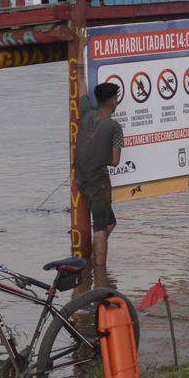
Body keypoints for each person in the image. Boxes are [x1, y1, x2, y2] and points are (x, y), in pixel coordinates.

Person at [74, 82, 123, 267]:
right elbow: (115, 161)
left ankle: (91, 262)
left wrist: (79, 56)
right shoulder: (114, 127)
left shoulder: (86, 114)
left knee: (110, 223)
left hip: (82, 181)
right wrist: (100, 156)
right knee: (101, 228)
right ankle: (99, 273)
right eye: (116, 98)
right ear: (113, 101)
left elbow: (82, 93)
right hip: (99, 183)